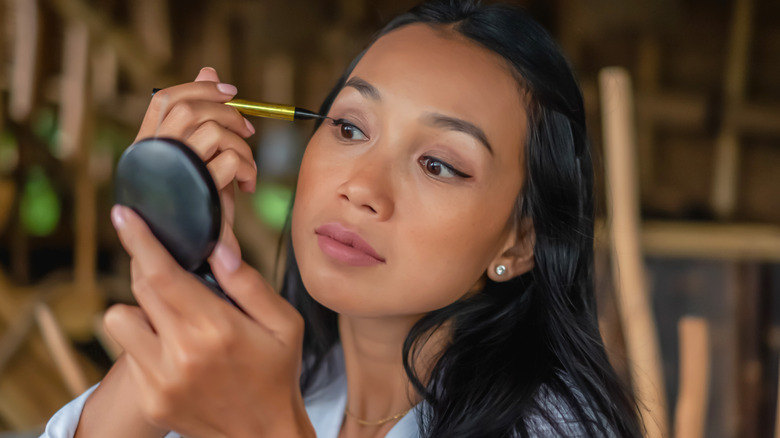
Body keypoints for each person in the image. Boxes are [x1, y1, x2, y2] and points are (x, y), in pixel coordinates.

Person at [43, 1, 644, 436]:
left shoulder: (557, 429)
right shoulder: (286, 378)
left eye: (438, 164)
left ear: (523, 239)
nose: (361, 187)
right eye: (351, 127)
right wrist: (189, 272)